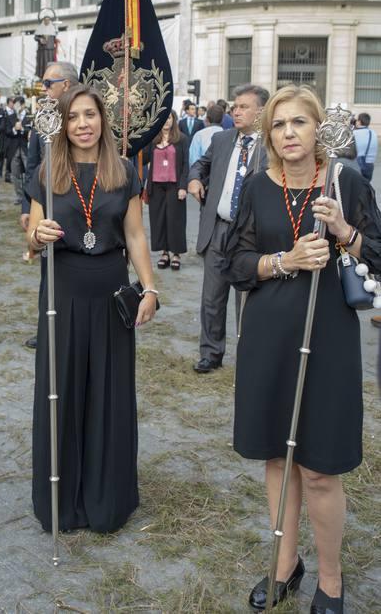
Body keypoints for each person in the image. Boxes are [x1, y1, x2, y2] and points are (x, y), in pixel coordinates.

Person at [222, 85, 381, 614]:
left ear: (320, 130)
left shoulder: (347, 181)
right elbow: (234, 263)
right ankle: (285, 563)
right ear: (267, 134)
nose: (288, 133)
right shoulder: (256, 188)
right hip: (269, 335)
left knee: (319, 467)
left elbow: (379, 256)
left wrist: (344, 231)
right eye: (278, 125)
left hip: (329, 337)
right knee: (277, 455)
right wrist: (284, 260)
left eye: (299, 123)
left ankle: (331, 581)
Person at [27, 85, 157, 533]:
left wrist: (151, 288)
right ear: (63, 125)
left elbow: (136, 236)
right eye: (74, 117)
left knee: (108, 392)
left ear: (103, 120)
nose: (83, 124)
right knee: (60, 390)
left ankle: (106, 498)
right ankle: (61, 500)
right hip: (61, 293)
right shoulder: (48, 170)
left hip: (109, 291)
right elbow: (31, 238)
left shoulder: (122, 170)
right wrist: (37, 234)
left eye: (90, 115)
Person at [188, 83, 269, 373]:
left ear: (261, 112)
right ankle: (211, 354)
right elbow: (200, 165)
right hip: (217, 228)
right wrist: (195, 179)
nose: (236, 111)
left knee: (247, 300)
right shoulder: (222, 140)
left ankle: (249, 355)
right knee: (212, 297)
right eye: (235, 106)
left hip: (251, 237)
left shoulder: (271, 146)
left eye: (243, 106)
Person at [20, 61, 80, 350]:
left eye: (47, 83)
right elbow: (32, 164)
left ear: (65, 85)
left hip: (79, 202)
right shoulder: (43, 115)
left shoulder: (83, 117)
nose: (42, 88)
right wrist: (26, 206)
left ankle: (73, 328)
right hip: (45, 202)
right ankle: (47, 328)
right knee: (48, 269)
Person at [145, 110, 189, 271]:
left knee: (175, 220)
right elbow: (143, 157)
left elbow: (185, 164)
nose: (166, 121)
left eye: (169, 118)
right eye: (164, 118)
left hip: (174, 186)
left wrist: (183, 186)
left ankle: (176, 254)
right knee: (159, 220)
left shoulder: (181, 139)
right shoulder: (152, 139)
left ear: (174, 120)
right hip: (156, 186)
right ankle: (164, 253)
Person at [353, 112, 377, 182]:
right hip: (369, 164)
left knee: (357, 186)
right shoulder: (373, 133)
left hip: (357, 164)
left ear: (359, 122)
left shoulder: (354, 133)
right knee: (366, 186)